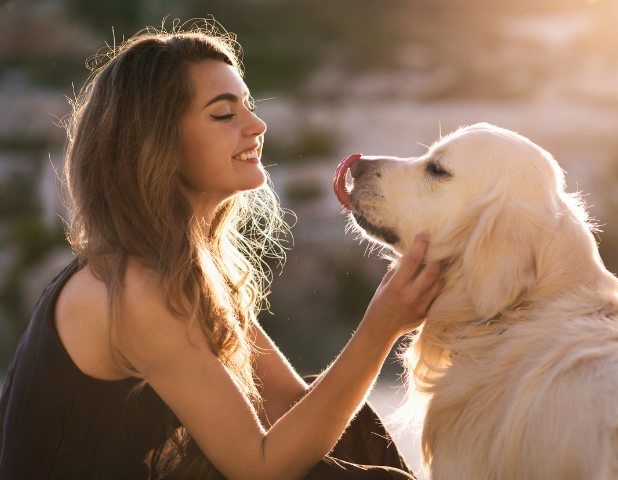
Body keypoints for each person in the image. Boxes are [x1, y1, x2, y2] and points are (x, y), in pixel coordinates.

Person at [0, 20, 442, 480]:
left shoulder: (182, 268)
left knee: (350, 424)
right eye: (224, 114)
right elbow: (260, 467)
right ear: (157, 143)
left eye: (248, 106)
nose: (258, 125)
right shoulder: (131, 288)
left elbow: (289, 404)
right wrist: (381, 327)